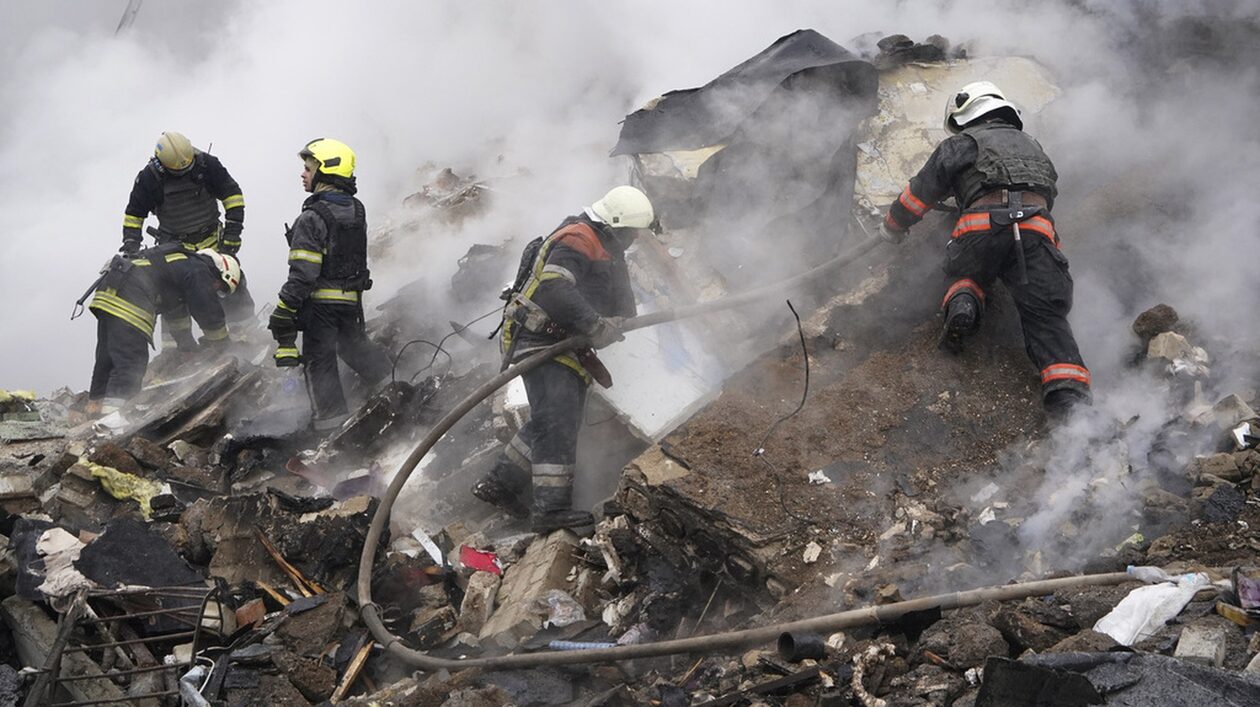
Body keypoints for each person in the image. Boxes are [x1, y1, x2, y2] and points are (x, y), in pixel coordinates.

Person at [879, 81, 1091, 415]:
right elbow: (1047, 196)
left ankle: (964, 305)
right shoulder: (1034, 148)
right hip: (1037, 229)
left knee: (966, 273)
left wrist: (893, 227)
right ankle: (1069, 397)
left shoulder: (961, 144)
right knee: (1046, 316)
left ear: (965, 114)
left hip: (980, 225)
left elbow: (918, 194)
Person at [473, 185, 657, 532]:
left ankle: (500, 483)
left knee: (551, 417)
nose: (634, 240)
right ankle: (550, 510)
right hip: (541, 341)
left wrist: (614, 321)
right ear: (616, 224)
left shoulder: (607, 251)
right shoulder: (579, 237)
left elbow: (624, 309)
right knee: (557, 419)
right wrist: (593, 323)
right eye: (632, 233)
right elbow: (554, 288)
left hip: (565, 346)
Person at [267, 138, 392, 432]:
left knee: (319, 363)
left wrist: (283, 309)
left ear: (326, 172)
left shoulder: (311, 218)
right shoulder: (356, 210)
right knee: (355, 348)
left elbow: (303, 274)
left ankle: (332, 431)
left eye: (308, 168)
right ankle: (397, 389)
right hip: (351, 302)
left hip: (320, 309)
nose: (303, 174)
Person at [121, 131, 255, 338]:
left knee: (230, 283)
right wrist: (131, 244)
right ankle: (178, 350)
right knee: (172, 297)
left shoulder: (207, 165)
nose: (185, 173)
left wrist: (232, 236)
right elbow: (134, 214)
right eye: (177, 172)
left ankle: (249, 332)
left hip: (213, 242)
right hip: (175, 250)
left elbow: (233, 195)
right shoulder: (149, 178)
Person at [86, 247, 240, 415]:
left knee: (107, 357)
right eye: (221, 287)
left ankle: (94, 408)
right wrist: (222, 344)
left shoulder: (179, 265)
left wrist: (187, 347)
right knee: (131, 362)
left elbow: (176, 316)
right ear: (221, 272)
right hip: (131, 297)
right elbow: (207, 310)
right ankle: (111, 421)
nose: (217, 290)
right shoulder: (198, 270)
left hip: (108, 292)